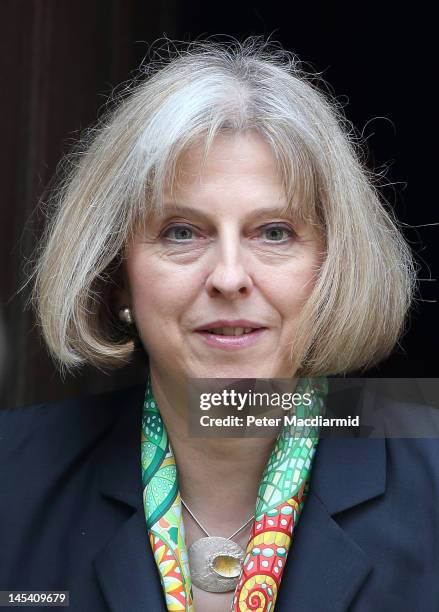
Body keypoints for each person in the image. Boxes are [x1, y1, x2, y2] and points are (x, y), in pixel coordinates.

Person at [0, 38, 437, 612]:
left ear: (333, 267)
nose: (229, 277)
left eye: (274, 232)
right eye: (182, 232)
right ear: (118, 275)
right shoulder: (11, 475)